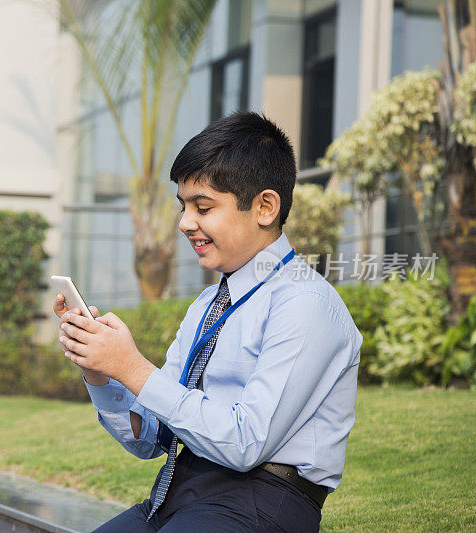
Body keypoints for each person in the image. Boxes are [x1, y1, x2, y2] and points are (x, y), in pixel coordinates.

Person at [53, 112, 362, 532]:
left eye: (203, 207)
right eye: (183, 206)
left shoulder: (304, 303)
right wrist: (101, 374)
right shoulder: (207, 304)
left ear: (265, 207)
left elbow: (245, 443)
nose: (185, 223)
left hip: (261, 505)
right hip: (180, 495)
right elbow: (153, 436)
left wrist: (133, 368)